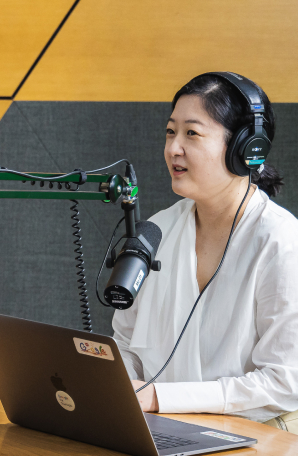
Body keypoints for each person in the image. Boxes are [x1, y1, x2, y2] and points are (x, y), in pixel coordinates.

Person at [113, 72, 298, 429]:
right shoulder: (157, 230)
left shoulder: (281, 241)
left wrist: (159, 398)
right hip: (166, 427)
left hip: (259, 437)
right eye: (171, 131)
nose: (173, 149)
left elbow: (284, 381)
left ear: (246, 148)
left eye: (192, 134)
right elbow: (125, 341)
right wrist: (114, 387)